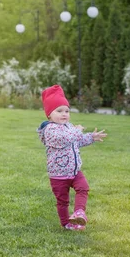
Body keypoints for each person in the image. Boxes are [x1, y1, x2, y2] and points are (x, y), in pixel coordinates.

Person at [37, 85, 107, 231]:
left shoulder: (69, 127)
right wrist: (77, 131)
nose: (64, 114)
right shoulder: (50, 130)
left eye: (67, 111)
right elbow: (63, 139)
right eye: (59, 111)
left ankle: (79, 212)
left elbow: (76, 141)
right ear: (49, 114)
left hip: (74, 170)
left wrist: (91, 137)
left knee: (83, 188)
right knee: (63, 201)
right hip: (58, 174)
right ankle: (66, 224)